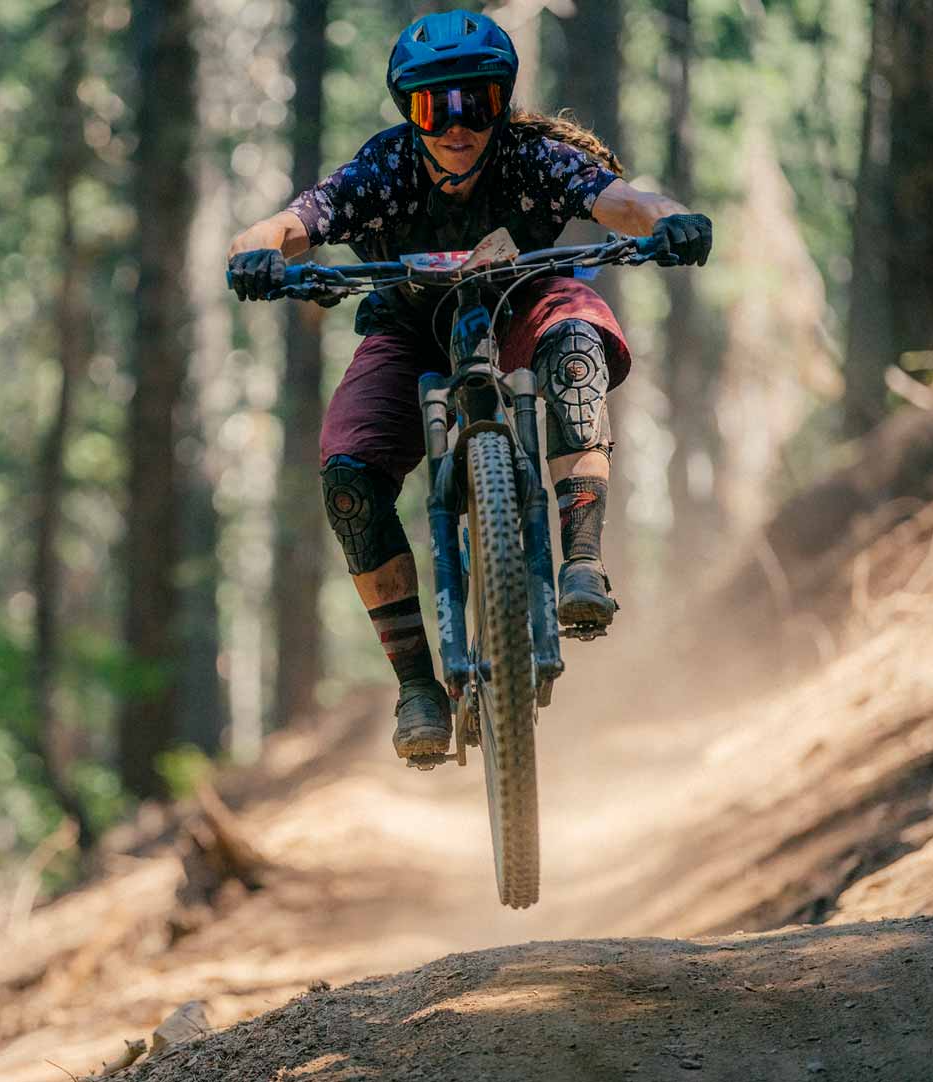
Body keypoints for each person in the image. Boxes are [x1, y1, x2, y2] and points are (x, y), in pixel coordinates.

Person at [226, 10, 712, 760]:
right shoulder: (383, 168)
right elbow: (291, 223)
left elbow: (621, 201)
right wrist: (256, 251)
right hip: (410, 326)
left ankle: (581, 560)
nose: (457, 127)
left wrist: (670, 219)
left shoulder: (534, 158)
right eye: (434, 107)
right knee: (348, 476)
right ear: (407, 113)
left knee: (576, 341)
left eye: (476, 104)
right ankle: (418, 686)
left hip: (522, 301)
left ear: (501, 103)